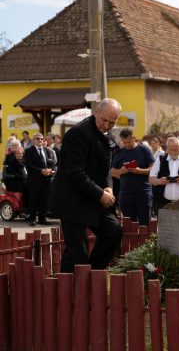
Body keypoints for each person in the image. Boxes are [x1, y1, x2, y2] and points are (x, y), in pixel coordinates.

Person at [52, 98, 123, 273]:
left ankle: (92, 275)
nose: (107, 125)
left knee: (113, 231)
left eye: (112, 122)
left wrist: (108, 187)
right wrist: (101, 195)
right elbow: (75, 173)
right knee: (77, 253)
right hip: (72, 199)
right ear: (96, 112)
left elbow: (107, 167)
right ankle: (68, 291)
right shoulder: (78, 134)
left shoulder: (107, 135)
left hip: (93, 196)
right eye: (104, 120)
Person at [111, 127, 155, 225]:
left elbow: (153, 168)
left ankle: (145, 241)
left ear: (133, 137)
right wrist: (121, 171)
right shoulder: (119, 152)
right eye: (124, 142)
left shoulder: (144, 150)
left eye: (128, 142)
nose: (126, 145)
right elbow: (112, 172)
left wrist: (139, 171)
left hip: (143, 193)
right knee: (129, 225)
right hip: (126, 194)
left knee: (145, 224)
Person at [24, 133, 56, 226]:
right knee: (34, 199)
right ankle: (32, 219)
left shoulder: (47, 150)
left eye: (42, 139)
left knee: (44, 199)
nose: (40, 140)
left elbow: (51, 162)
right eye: (38, 139)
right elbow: (29, 166)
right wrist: (41, 171)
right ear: (33, 140)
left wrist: (50, 170)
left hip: (46, 179)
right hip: (35, 180)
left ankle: (42, 218)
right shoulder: (29, 151)